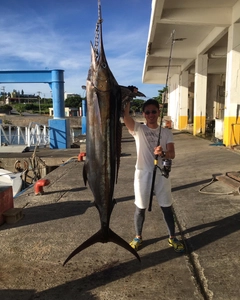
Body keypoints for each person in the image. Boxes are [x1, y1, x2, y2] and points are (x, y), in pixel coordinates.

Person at [123, 98, 184, 253]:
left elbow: (172, 154)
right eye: (148, 112)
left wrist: (163, 153)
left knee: (167, 207)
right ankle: (138, 236)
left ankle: (172, 236)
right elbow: (125, 117)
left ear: (158, 113)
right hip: (143, 174)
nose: (151, 115)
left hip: (161, 174)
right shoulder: (138, 129)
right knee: (140, 208)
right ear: (143, 114)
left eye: (154, 112)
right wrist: (129, 99)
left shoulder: (166, 132)